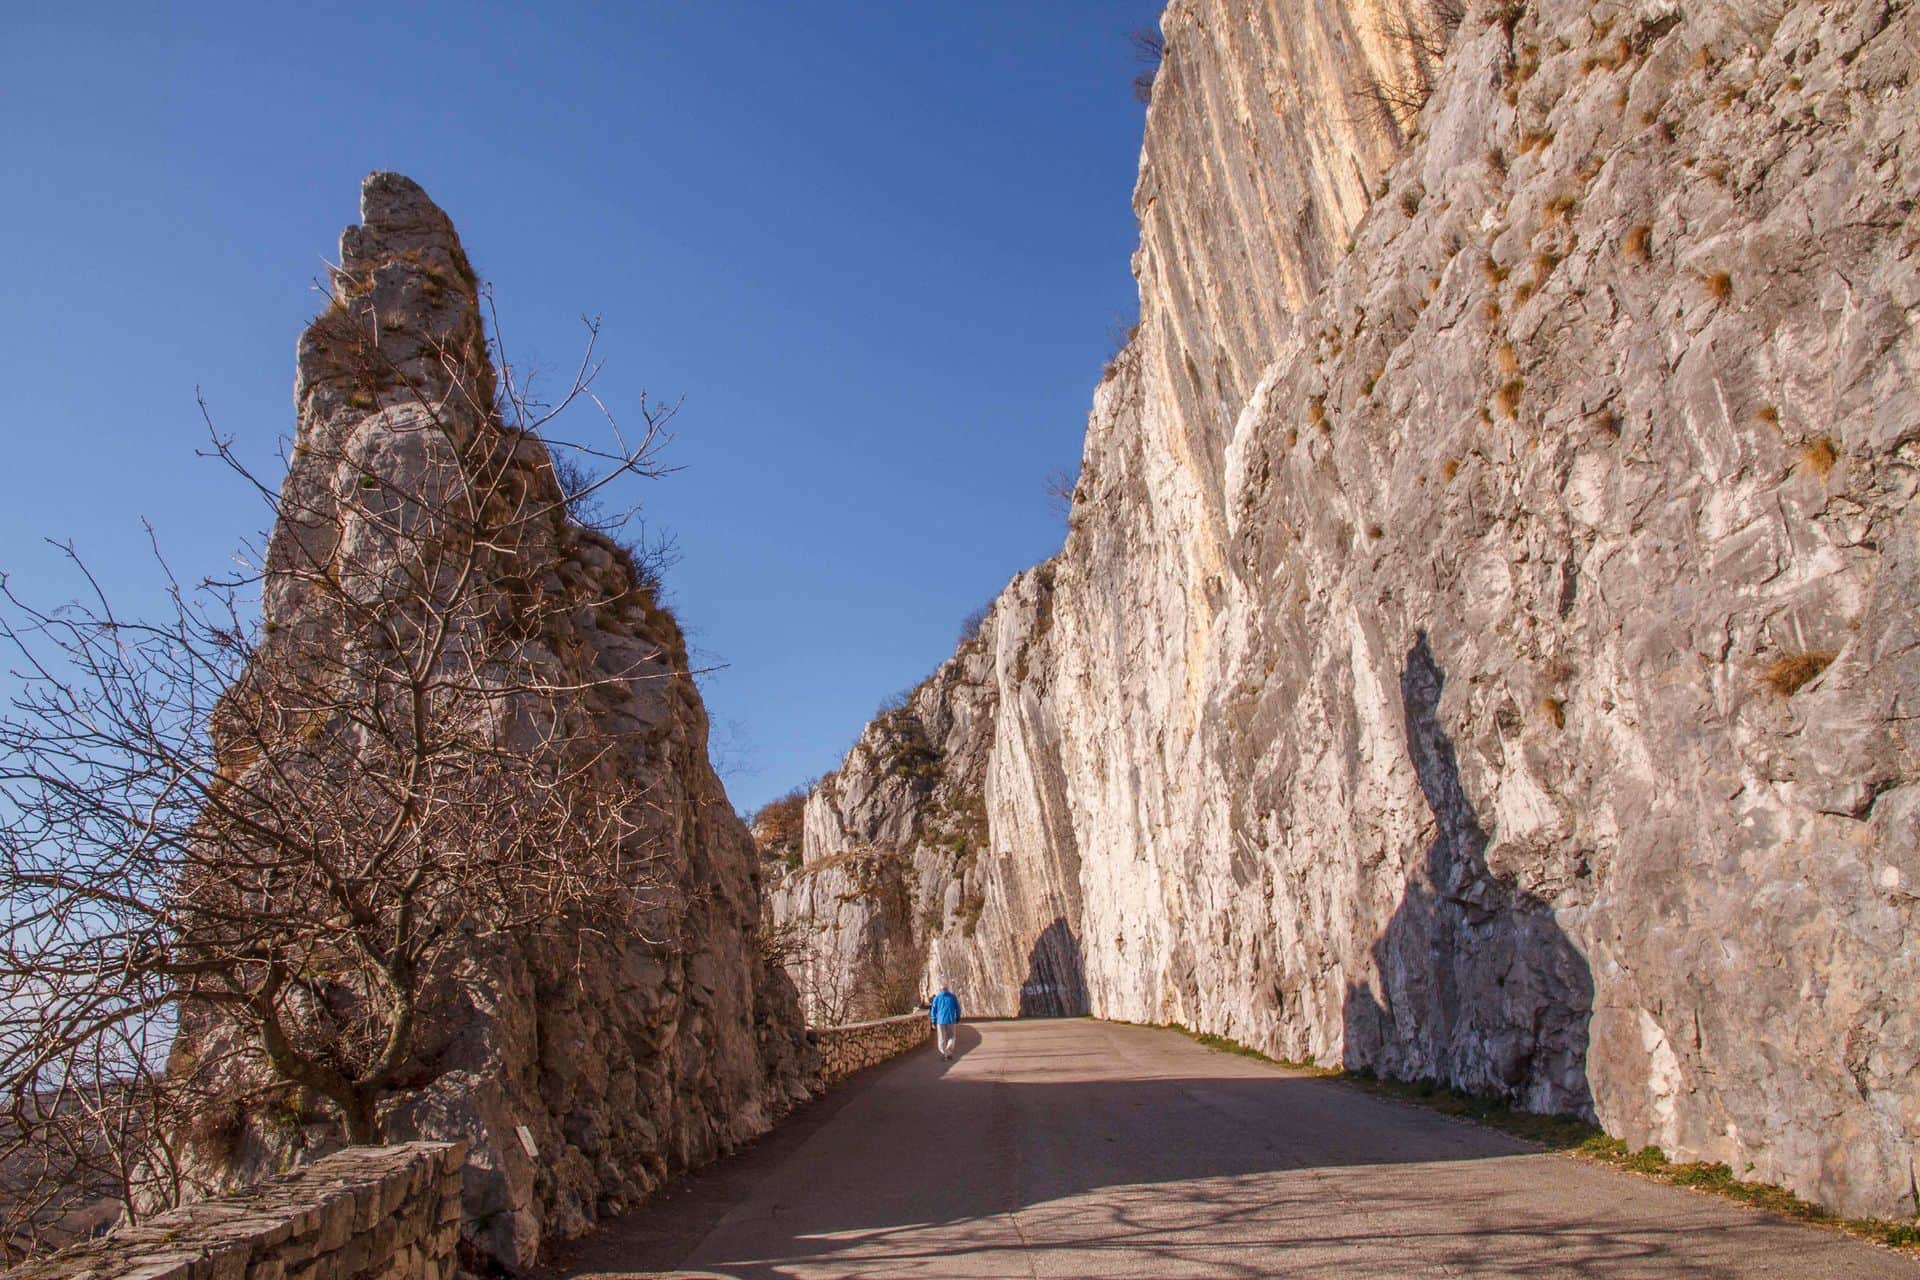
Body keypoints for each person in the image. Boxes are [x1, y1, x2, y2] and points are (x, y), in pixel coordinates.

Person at [929, 982, 961, 1059]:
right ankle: (948, 1051)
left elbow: (933, 1010)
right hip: (951, 1019)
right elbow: (958, 1008)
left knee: (941, 1038)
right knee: (952, 1036)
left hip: (940, 1021)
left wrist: (933, 1021)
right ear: (948, 989)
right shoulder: (953, 997)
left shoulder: (937, 998)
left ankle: (944, 1053)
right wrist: (958, 1017)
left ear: (940, 989)